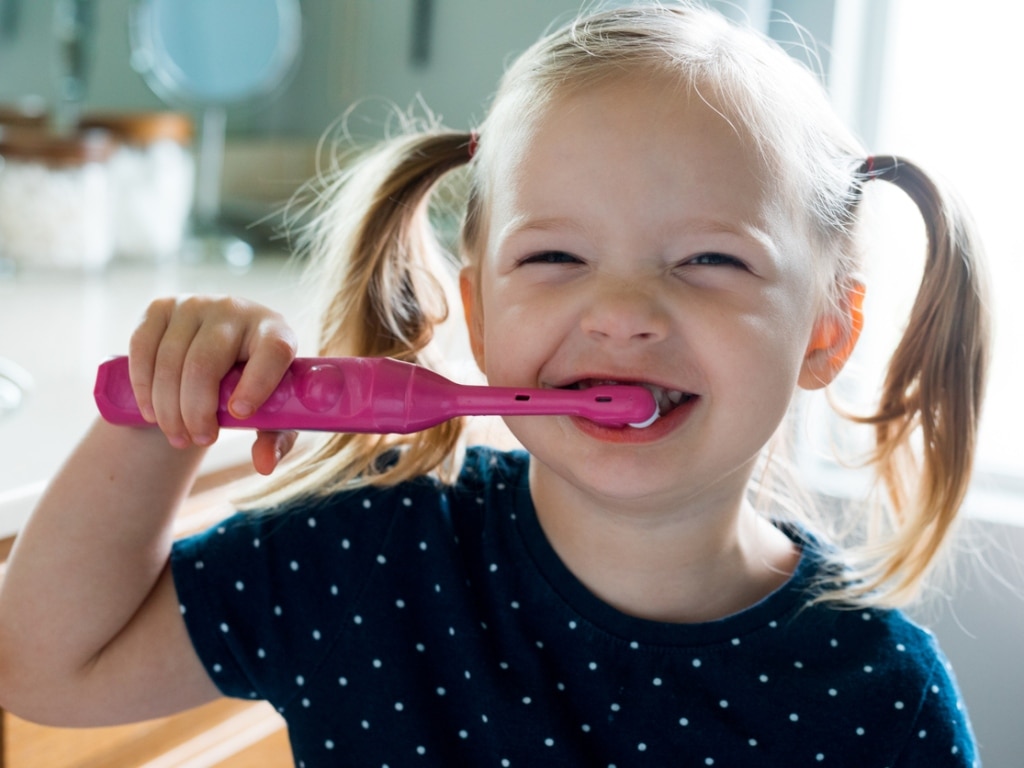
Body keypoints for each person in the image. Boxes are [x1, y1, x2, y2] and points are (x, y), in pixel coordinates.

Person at [0, 2, 989, 766]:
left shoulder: (877, 702)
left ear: (826, 329)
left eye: (708, 262)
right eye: (555, 256)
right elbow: (44, 669)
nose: (622, 311)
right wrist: (160, 410)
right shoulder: (373, 558)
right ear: (477, 314)